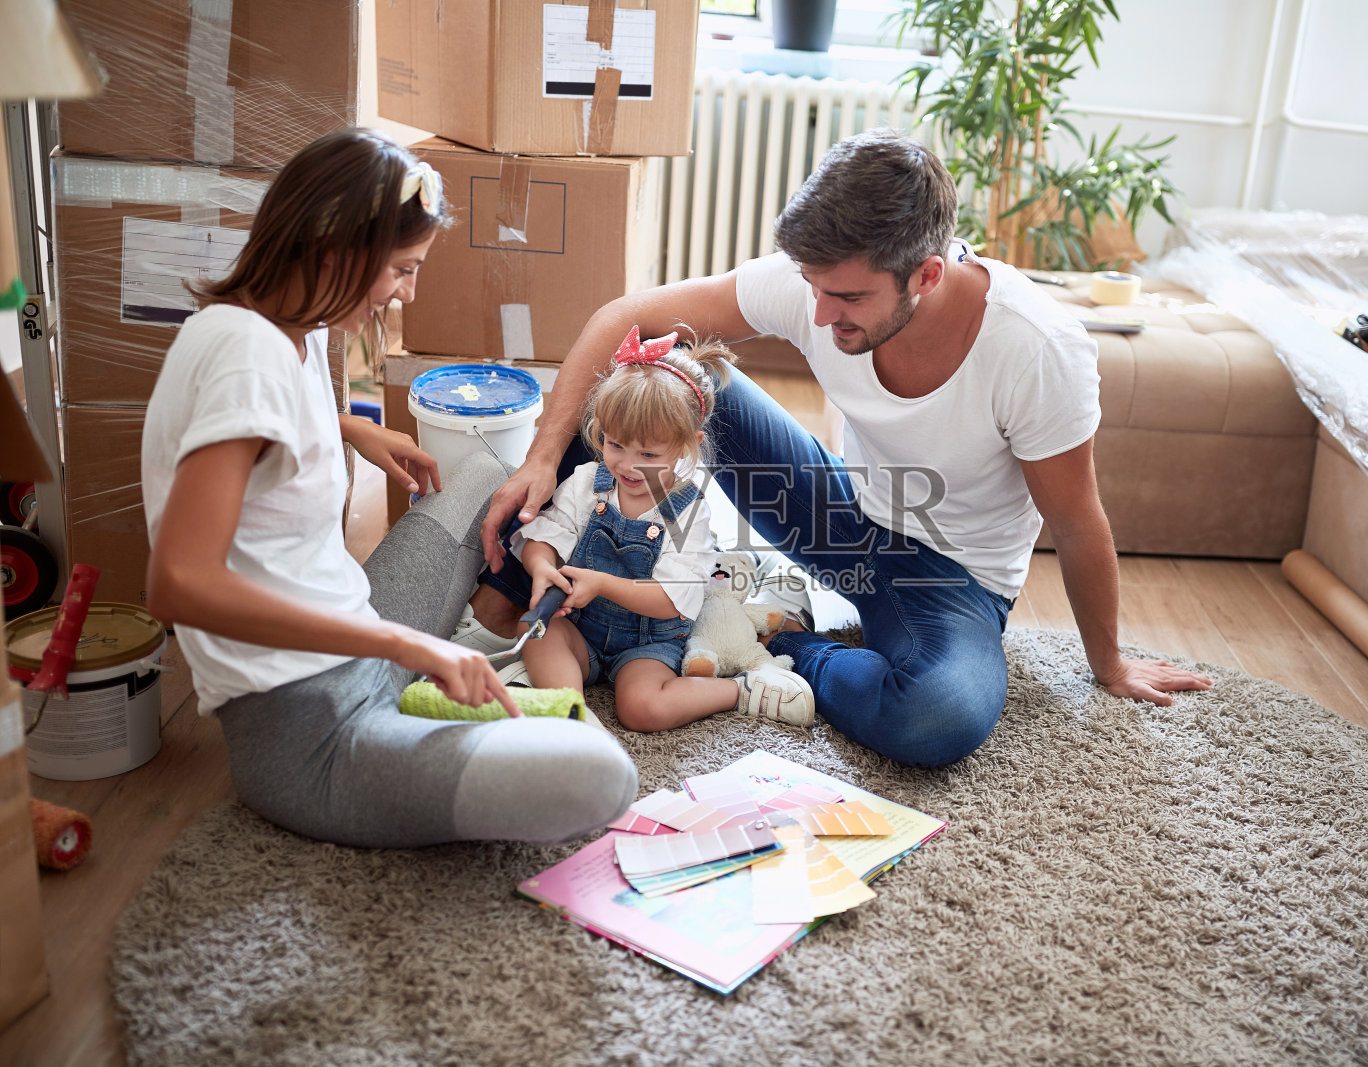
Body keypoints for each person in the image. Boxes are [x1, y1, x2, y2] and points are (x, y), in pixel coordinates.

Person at [464, 128, 1213, 767]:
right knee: (653, 371)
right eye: (813, 287)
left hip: (950, 576)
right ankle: (510, 599)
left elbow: (1079, 521)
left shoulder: (1036, 350)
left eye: (847, 298)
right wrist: (539, 458)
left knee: (938, 717)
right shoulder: (822, 285)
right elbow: (625, 315)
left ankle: (788, 646)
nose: (819, 314)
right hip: (838, 512)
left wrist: (1107, 663)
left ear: (926, 273)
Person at [140, 128, 637, 849]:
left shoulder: (285, 326)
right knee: (601, 774)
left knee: (488, 472)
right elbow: (177, 584)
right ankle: (448, 666)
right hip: (312, 731)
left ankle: (464, 646)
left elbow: (250, 423)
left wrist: (347, 427)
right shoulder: (245, 360)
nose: (408, 292)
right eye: (401, 269)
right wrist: (410, 646)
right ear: (337, 251)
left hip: (360, 635)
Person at [500, 325, 816, 732]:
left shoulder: (687, 512)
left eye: (648, 453)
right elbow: (547, 534)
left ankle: (743, 689)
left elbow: (675, 599)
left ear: (688, 445)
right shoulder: (587, 481)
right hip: (582, 629)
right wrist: (541, 566)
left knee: (641, 710)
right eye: (615, 445)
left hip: (650, 643)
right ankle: (571, 715)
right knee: (542, 634)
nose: (628, 465)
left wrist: (600, 583)